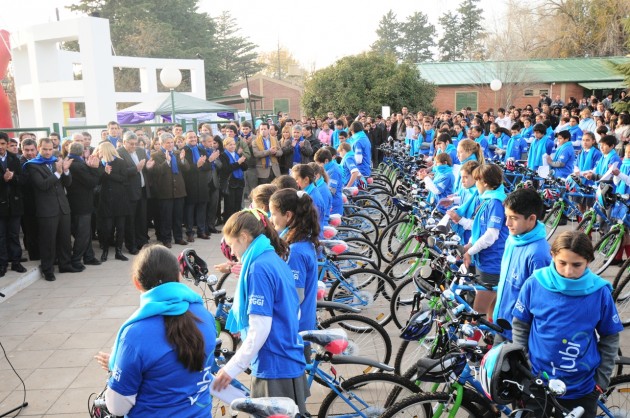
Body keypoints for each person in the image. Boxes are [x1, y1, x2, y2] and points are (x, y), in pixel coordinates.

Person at [95, 245, 216, 417]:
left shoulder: (135, 335)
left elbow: (117, 407)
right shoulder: (204, 316)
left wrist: (117, 368)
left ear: (137, 283)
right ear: (178, 277)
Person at [512, 231, 622, 417]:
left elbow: (610, 337)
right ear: (552, 256)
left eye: (576, 265)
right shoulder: (534, 284)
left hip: (582, 386)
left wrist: (600, 381)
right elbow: (521, 326)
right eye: (562, 263)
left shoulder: (600, 292)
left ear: (588, 261)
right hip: (537, 381)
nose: (568, 272)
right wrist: (523, 366)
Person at [212, 210, 308, 414]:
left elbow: (260, 330)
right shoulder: (272, 258)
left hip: (273, 366)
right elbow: (294, 311)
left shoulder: (258, 268)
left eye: (231, 245)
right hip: (287, 359)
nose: (232, 253)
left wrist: (232, 368)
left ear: (244, 237)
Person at [493, 188, 551, 340]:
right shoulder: (513, 239)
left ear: (532, 219)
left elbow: (540, 302)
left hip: (517, 334)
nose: (507, 223)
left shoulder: (538, 254)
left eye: (514, 218)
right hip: (502, 325)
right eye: (506, 217)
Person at [269, 189, 320, 344]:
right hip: (299, 326)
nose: (271, 219)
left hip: (295, 331)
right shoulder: (301, 240)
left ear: (288, 215)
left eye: (273, 214)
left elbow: (294, 297)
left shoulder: (296, 251)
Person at [24, 138, 78, 281]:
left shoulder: (56, 161)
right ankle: (48, 269)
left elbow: (68, 183)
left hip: (63, 207)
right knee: (48, 241)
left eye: (50, 149)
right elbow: (42, 185)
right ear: (38, 149)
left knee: (65, 239)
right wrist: (58, 173)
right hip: (46, 210)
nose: (48, 152)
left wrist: (65, 171)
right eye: (45, 149)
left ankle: (65, 265)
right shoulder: (32, 165)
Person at [462, 163, 509, 318]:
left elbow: (491, 235)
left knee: (477, 313)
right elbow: (480, 229)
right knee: (492, 311)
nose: (476, 184)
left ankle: (472, 340)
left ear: (485, 183)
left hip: (492, 263)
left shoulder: (495, 202)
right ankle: (491, 340)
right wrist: (469, 245)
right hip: (485, 260)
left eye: (477, 180)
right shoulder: (488, 199)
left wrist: (470, 251)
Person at [147, 133, 189, 248]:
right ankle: (166, 239)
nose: (170, 145)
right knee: (166, 218)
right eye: (167, 143)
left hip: (179, 191)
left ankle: (178, 237)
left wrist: (182, 160)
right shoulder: (155, 155)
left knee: (178, 217)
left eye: (171, 142)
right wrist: (167, 162)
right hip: (165, 192)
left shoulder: (177, 153)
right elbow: (157, 171)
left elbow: (187, 169)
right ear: (161, 144)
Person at [66, 141, 101, 269]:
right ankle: (76, 259)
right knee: (83, 234)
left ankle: (89, 256)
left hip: (78, 203)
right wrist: (95, 168)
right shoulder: (77, 165)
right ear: (82, 152)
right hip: (81, 204)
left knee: (86, 233)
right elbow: (92, 182)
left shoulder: (71, 162)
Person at [96, 142, 130, 262]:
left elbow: (124, 179)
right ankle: (105, 251)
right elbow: (97, 182)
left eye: (100, 150)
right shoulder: (99, 163)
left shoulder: (120, 162)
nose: (98, 152)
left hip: (120, 199)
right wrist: (104, 173)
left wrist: (109, 175)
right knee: (107, 228)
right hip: (106, 200)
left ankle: (118, 252)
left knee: (120, 227)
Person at [117, 131, 149, 254]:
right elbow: (121, 172)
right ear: (124, 142)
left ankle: (142, 242)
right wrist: (136, 169)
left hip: (142, 189)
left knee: (142, 218)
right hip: (129, 192)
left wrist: (148, 166)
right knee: (130, 221)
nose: (134, 146)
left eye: (135, 144)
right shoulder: (119, 153)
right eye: (131, 144)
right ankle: (131, 245)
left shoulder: (141, 151)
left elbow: (145, 168)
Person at [0, 132, 25, 276]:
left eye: (3, 144)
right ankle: (2, 264)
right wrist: (3, 178)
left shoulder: (14, 159)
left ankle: (16, 262)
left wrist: (13, 177)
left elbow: (23, 180)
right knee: (1, 236)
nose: (0, 147)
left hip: (14, 204)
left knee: (14, 235)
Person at [182, 131, 211, 242]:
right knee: (189, 210)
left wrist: (202, 165)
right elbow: (185, 169)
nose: (193, 139)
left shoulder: (201, 150)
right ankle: (189, 233)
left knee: (202, 208)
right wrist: (197, 165)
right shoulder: (183, 151)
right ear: (186, 139)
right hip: (190, 185)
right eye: (190, 137)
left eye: (194, 137)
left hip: (202, 184)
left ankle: (201, 231)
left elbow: (208, 165)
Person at [18, 138, 40, 261]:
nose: (30, 153)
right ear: (22, 150)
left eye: (32, 150)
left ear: (36, 149)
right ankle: (35, 256)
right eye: (27, 150)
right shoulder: (20, 163)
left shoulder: (38, 161)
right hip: (27, 203)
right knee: (31, 231)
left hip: (40, 202)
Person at [219, 137, 248, 223]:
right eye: (230, 144)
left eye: (233, 144)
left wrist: (242, 162)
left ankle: (237, 221)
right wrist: (238, 163)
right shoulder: (223, 155)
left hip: (239, 182)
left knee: (237, 203)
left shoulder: (236, 154)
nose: (232, 146)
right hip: (230, 183)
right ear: (225, 146)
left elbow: (245, 168)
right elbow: (226, 169)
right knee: (229, 204)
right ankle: (228, 222)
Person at [291, 163, 327, 234]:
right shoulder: (309, 192)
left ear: (306, 180)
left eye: (296, 179)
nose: (294, 182)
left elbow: (311, 224)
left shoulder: (313, 198)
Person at [200, 133, 222, 234]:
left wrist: (215, 160)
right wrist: (210, 160)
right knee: (204, 207)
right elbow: (201, 166)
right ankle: (204, 228)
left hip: (214, 181)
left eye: (212, 142)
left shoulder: (213, 151)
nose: (212, 144)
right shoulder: (200, 150)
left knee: (214, 205)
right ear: (203, 142)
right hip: (204, 181)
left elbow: (220, 165)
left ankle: (211, 225)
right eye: (209, 142)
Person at [314, 148, 343, 216]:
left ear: (326, 161)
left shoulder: (333, 171)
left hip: (334, 204)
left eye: (318, 163)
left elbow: (331, 190)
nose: (317, 165)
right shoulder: (328, 168)